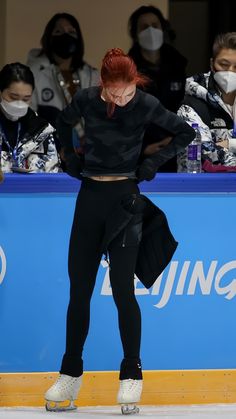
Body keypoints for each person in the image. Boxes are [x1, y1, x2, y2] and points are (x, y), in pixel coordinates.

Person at [44, 48, 195, 413]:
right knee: (79, 292)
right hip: (90, 198)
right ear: (103, 84)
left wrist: (151, 165)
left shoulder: (145, 103)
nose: (121, 100)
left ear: (135, 85)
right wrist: (69, 156)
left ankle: (131, 376)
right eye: (114, 94)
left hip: (125, 200)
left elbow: (184, 133)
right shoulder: (85, 100)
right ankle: (70, 374)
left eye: (127, 93)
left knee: (124, 293)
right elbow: (61, 124)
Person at [26, 12, 99, 156]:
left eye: (71, 32)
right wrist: (54, 148)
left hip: (86, 158)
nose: (66, 36)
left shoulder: (92, 75)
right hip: (48, 157)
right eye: (58, 31)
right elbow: (27, 122)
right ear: (49, 37)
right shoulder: (34, 74)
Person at [128, 5, 188, 172]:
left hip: (176, 150)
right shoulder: (126, 69)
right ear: (135, 33)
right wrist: (143, 148)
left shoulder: (178, 64)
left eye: (155, 25)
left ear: (163, 28)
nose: (151, 31)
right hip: (142, 155)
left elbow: (185, 107)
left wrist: (175, 140)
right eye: (144, 27)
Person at [177, 32, 236, 172]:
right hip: (202, 188)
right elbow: (205, 154)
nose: (230, 72)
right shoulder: (190, 106)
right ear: (212, 64)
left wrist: (229, 144)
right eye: (223, 64)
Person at [0, 62, 60, 174]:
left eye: (26, 98)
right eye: (13, 97)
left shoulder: (42, 130)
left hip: (31, 190)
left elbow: (52, 175)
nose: (19, 104)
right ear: (1, 92)